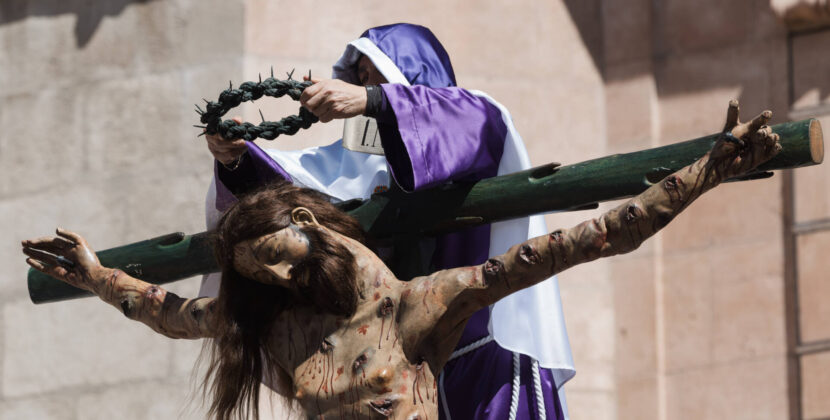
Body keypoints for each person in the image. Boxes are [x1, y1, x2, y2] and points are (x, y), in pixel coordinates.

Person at [21, 101, 782, 420]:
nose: (280, 281)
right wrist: (91, 273)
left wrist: (707, 171)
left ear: (322, 234)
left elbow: (595, 238)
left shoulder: (416, 306)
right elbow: (163, 311)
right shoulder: (272, 326)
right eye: (262, 275)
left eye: (284, 260)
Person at [203, 23, 575, 419]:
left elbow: (470, 122)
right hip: (398, 377)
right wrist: (236, 159)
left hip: (483, 362)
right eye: (359, 76)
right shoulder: (349, 164)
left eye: (374, 71)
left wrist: (374, 101)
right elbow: (287, 195)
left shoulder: (472, 117)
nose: (364, 81)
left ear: (412, 73)